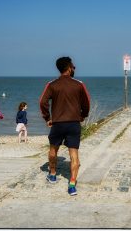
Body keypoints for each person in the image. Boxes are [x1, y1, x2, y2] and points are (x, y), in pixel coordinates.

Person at [39, 57, 90, 196]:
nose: (74, 68)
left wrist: (47, 118)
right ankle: (72, 185)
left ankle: (53, 174)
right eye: (73, 66)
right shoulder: (79, 85)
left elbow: (42, 102)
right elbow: (87, 103)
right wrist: (83, 116)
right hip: (73, 123)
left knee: (53, 149)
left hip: (58, 124)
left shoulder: (52, 85)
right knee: (74, 154)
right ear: (68, 67)